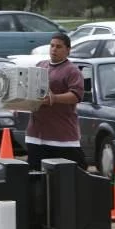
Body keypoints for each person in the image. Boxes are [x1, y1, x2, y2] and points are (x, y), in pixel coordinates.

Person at [26, 33, 86, 171]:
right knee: (36, 179)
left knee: (72, 177)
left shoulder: (72, 71)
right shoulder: (40, 66)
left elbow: (76, 95)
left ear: (68, 50)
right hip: (35, 135)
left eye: (59, 47)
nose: (54, 49)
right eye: (52, 46)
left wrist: (54, 98)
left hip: (62, 138)